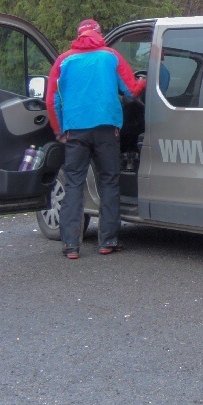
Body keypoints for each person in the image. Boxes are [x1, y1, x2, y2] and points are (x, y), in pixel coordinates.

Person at [44, 18, 145, 259]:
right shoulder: (111, 56)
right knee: (109, 181)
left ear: (78, 35)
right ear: (99, 34)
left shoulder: (63, 60)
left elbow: (51, 100)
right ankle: (107, 240)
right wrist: (144, 81)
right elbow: (131, 91)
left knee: (74, 184)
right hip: (106, 130)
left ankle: (70, 245)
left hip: (75, 132)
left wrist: (59, 131)